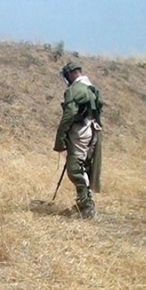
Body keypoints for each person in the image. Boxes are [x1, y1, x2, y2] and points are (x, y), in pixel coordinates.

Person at [53, 62, 103, 219]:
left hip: (80, 132)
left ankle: (87, 206)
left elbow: (69, 115)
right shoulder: (91, 88)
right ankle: (83, 203)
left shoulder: (75, 90)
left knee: (75, 169)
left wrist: (60, 138)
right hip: (92, 130)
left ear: (72, 74)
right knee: (83, 167)